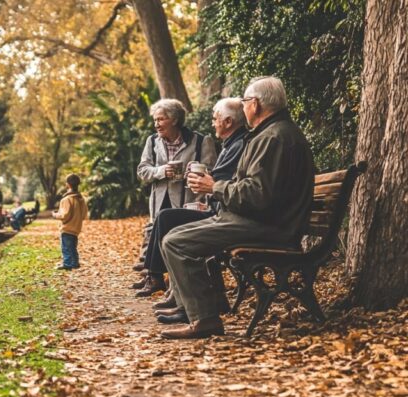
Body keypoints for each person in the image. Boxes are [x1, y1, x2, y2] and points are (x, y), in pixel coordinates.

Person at [159, 76, 315, 339]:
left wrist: (214, 187)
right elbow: (258, 189)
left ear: (254, 104)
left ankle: (204, 318)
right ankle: (200, 310)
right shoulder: (274, 133)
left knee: (176, 242)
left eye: (244, 102)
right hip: (265, 221)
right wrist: (220, 187)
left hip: (269, 227)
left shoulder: (274, 138)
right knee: (173, 236)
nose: (243, 108)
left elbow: (257, 195)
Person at [132, 98, 248, 302]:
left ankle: (160, 279)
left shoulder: (202, 141)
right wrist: (160, 171)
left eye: (161, 119)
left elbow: (213, 172)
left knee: (169, 226)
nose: (156, 124)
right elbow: (142, 170)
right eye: (155, 120)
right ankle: (154, 276)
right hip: (160, 198)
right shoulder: (152, 141)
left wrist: (193, 175)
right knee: (157, 227)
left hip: (191, 199)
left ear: (174, 120)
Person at [52, 174, 89, 270]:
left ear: (67, 185)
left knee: (66, 248)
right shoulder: (81, 199)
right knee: (73, 247)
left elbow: (64, 215)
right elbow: (84, 214)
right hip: (76, 228)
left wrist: (55, 215)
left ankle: (67, 264)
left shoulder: (67, 199)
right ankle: (75, 262)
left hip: (67, 228)